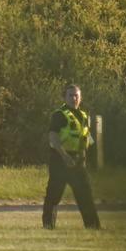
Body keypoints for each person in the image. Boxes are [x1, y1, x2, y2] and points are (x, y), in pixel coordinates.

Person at [42, 83, 101, 229]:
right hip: (60, 160)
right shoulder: (59, 115)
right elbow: (53, 137)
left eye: (77, 95)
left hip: (77, 161)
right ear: (64, 97)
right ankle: (48, 226)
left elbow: (86, 139)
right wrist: (64, 155)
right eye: (70, 95)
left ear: (80, 98)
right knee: (54, 195)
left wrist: (88, 157)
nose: (74, 98)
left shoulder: (83, 115)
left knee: (85, 195)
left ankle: (93, 226)